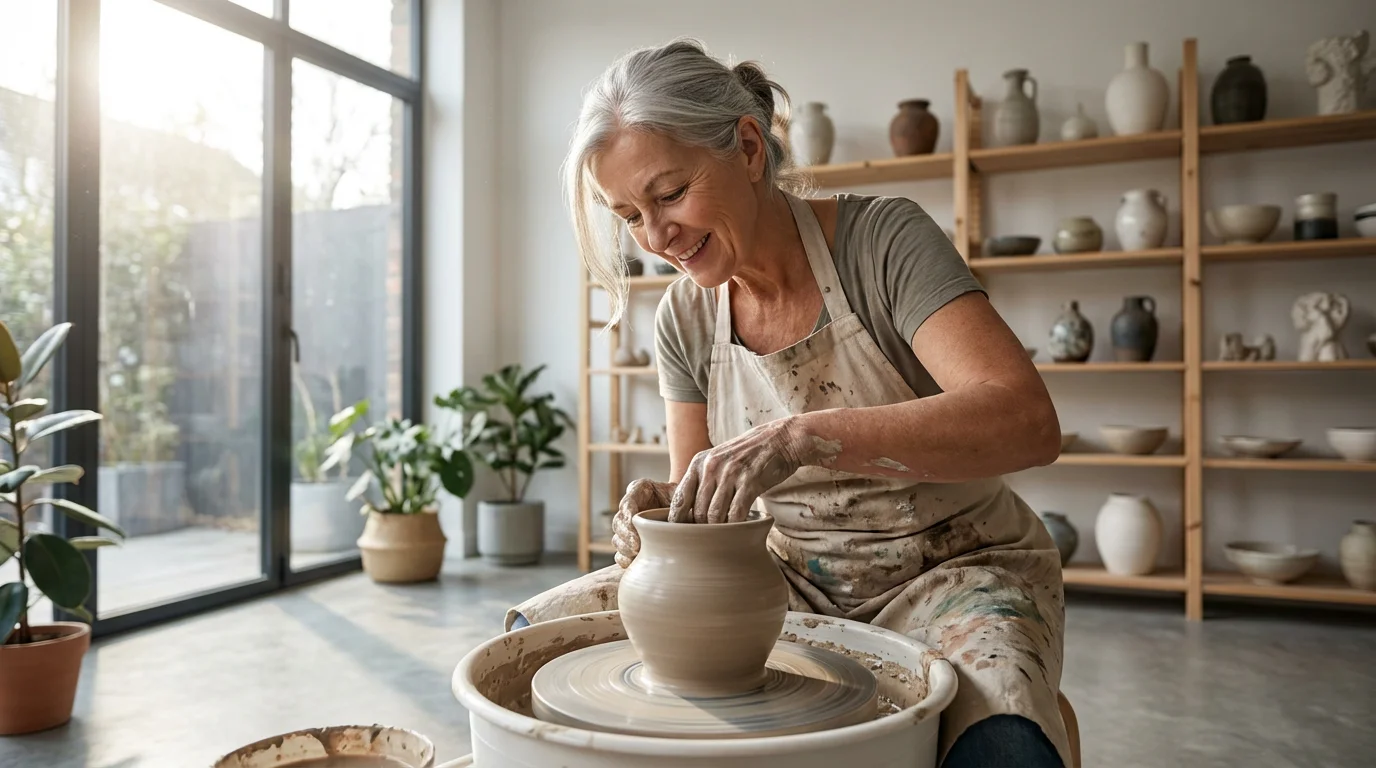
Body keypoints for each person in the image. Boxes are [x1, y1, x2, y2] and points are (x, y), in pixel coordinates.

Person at [507, 38, 1071, 768]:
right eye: (629, 216)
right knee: (525, 644)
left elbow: (1028, 423)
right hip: (785, 579)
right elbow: (705, 511)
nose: (657, 237)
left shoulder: (884, 242)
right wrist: (662, 512)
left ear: (747, 147)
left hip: (950, 573)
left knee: (1004, 744)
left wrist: (805, 437)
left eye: (670, 194)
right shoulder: (683, 317)